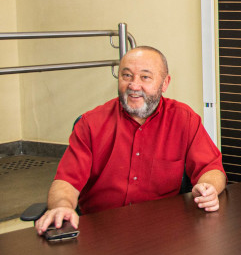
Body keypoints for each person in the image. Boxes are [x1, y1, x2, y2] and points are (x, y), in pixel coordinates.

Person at [35, 46, 226, 235]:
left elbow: (211, 169)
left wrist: (208, 189)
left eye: (145, 77)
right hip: (100, 232)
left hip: (164, 232)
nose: (134, 86)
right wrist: (61, 206)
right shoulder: (90, 123)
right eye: (126, 76)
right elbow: (66, 182)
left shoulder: (184, 119)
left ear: (165, 83)